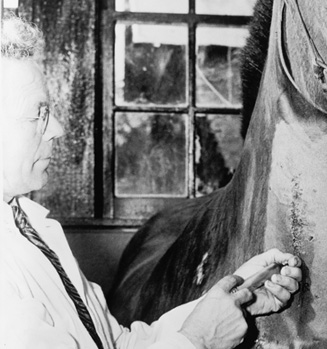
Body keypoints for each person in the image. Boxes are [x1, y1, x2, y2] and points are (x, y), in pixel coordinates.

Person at [0, 13, 302, 349]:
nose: (56, 129)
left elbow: (116, 343)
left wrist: (235, 294)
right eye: (38, 114)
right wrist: (199, 340)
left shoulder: (33, 228)